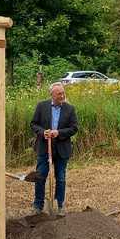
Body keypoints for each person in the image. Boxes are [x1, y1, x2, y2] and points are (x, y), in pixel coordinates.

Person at [31, 82, 78, 216]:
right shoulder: (42, 106)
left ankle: (60, 205)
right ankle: (38, 205)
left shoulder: (70, 109)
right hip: (44, 148)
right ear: (52, 94)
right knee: (40, 176)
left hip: (62, 148)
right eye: (59, 94)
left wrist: (59, 132)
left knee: (61, 178)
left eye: (63, 93)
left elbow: (74, 128)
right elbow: (33, 124)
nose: (62, 96)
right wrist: (42, 132)